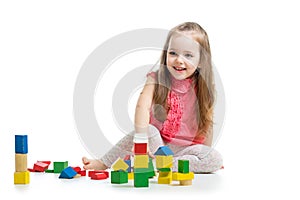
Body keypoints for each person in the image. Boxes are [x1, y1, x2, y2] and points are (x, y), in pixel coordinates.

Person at [82, 22, 223, 173]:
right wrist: (142, 140)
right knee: (147, 129)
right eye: (173, 53)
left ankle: (158, 165)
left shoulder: (203, 88)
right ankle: (104, 163)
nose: (179, 60)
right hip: (157, 145)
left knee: (215, 158)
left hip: (186, 151)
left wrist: (206, 155)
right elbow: (142, 107)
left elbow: (207, 124)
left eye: (188, 55)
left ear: (201, 61)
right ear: (165, 53)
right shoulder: (155, 79)